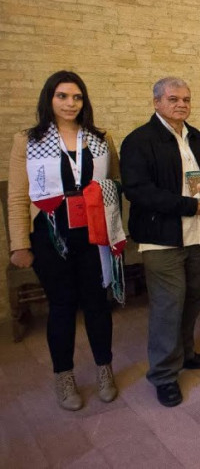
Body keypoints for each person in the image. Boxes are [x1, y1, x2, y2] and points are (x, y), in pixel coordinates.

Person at [7, 71, 119, 410]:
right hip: (50, 233)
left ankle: (104, 369)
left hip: (93, 232)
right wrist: (19, 244)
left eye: (77, 97)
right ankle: (64, 376)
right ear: (49, 99)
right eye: (62, 96)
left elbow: (114, 184)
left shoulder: (100, 138)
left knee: (97, 303)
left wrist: (116, 233)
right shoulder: (28, 140)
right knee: (62, 305)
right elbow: (17, 196)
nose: (71, 103)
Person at [120, 77, 200, 407]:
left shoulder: (196, 138)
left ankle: (185, 353)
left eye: (186, 99)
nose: (181, 104)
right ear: (156, 103)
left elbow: (199, 180)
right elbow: (137, 190)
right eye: (173, 99)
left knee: (194, 296)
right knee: (168, 304)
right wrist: (187, 205)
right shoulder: (139, 140)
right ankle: (164, 375)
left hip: (198, 232)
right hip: (161, 237)